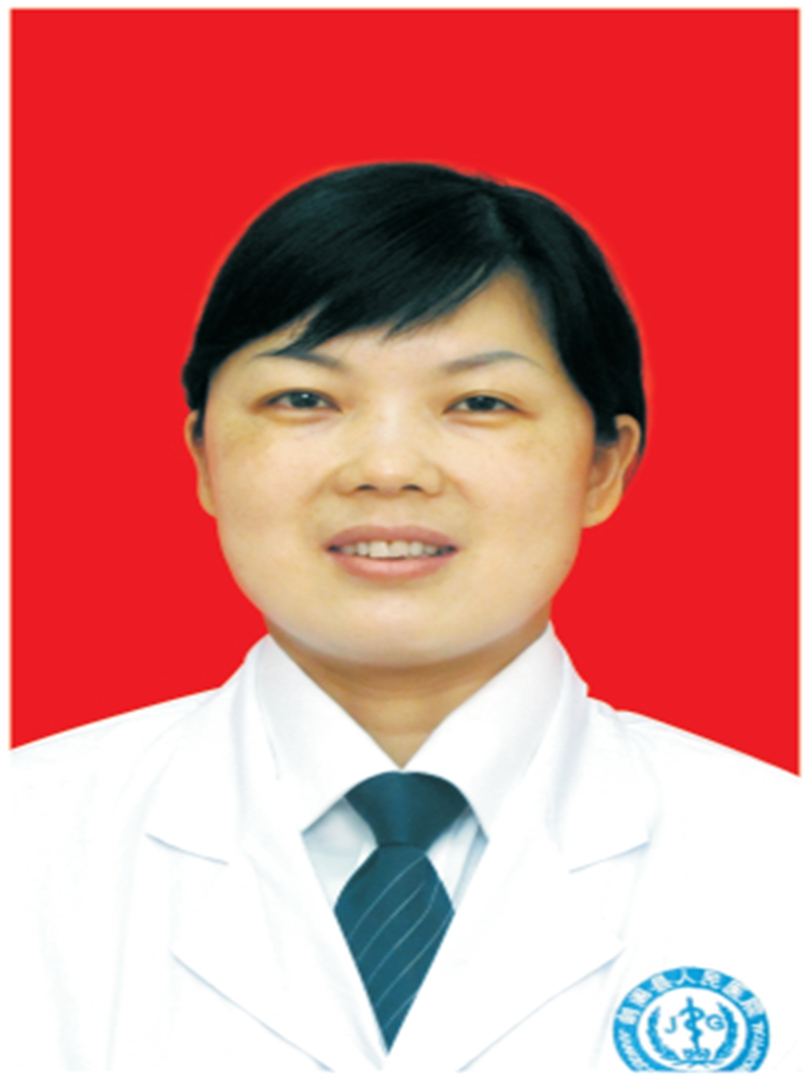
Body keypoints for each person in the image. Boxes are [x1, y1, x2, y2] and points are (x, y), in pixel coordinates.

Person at [8, 164, 804, 1074]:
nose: (388, 468)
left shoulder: (783, 861)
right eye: (304, 399)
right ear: (204, 458)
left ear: (602, 467)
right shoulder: (24, 842)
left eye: (480, 403)